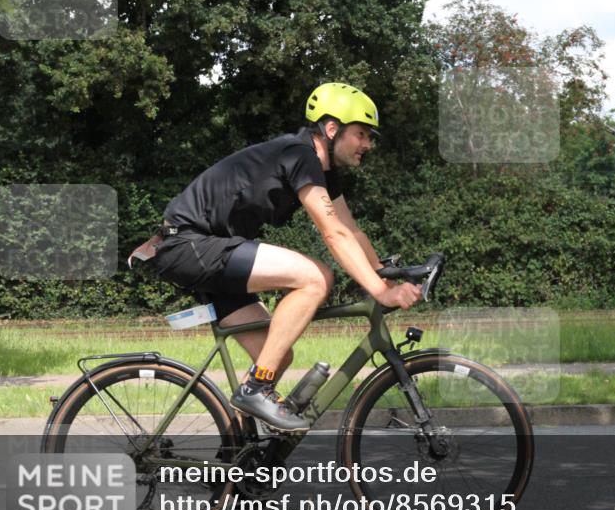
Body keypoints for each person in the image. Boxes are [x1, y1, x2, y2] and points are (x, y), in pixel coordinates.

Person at [149, 82, 421, 431]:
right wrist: (381, 292)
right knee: (316, 278)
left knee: (277, 354)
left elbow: (350, 231)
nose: (368, 144)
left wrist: (383, 274)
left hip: (209, 249)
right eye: (362, 134)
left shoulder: (322, 172)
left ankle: (236, 461)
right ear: (332, 129)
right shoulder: (300, 154)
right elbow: (332, 233)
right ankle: (256, 388)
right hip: (187, 244)